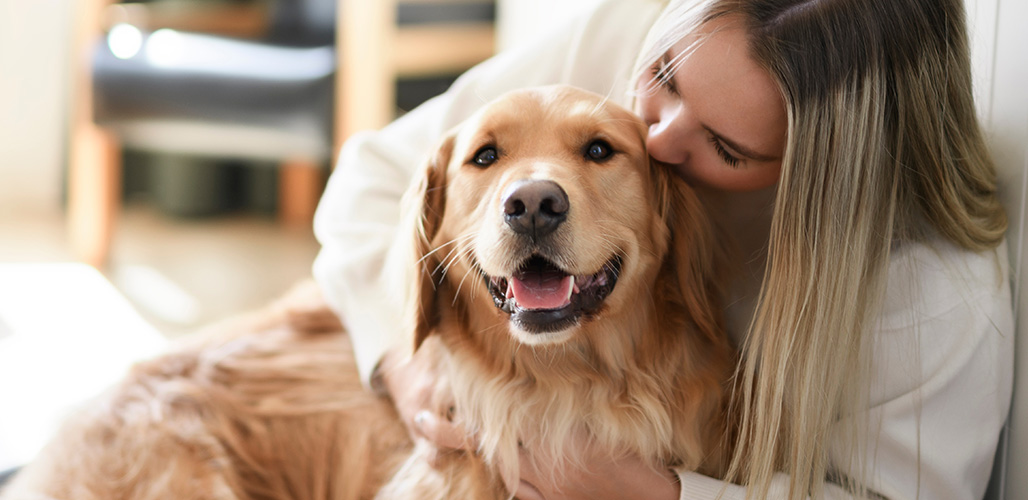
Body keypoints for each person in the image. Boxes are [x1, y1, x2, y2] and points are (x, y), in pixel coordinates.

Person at [313, 0, 1014, 498]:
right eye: (664, 81)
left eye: (725, 146)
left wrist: (657, 494)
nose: (654, 143)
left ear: (823, 177)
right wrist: (403, 367)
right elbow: (373, 176)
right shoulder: (630, 26)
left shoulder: (931, 292)